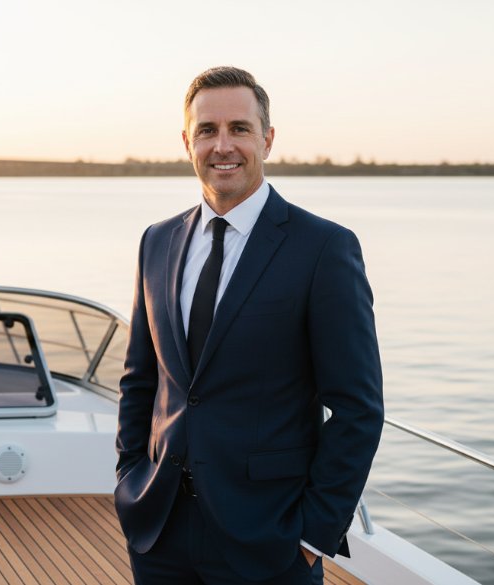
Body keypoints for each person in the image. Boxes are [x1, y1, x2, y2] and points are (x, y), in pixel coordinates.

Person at [114, 66, 384, 584]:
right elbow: (140, 379)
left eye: (239, 128)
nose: (223, 146)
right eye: (207, 130)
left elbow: (358, 408)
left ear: (267, 139)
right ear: (187, 142)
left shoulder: (323, 248)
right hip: (159, 532)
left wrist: (313, 536)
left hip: (270, 540)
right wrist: (130, 476)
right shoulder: (157, 241)